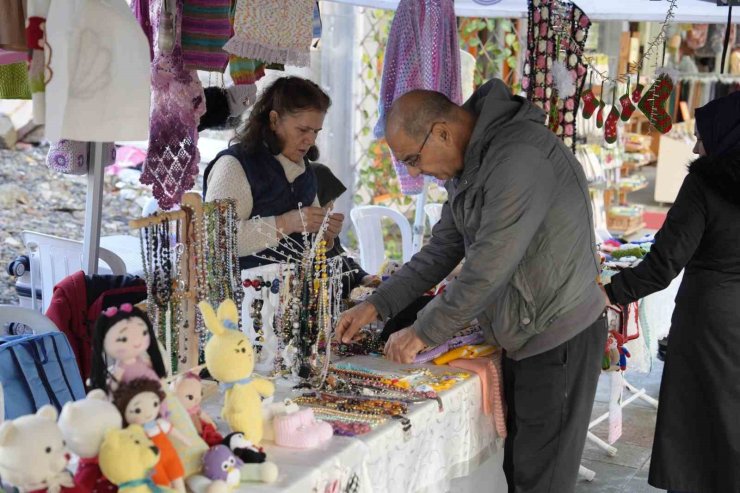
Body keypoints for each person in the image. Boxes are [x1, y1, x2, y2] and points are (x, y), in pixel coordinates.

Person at [336, 79, 606, 493]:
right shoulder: (474, 163)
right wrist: (375, 306)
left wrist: (423, 332)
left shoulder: (518, 157)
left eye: (412, 158)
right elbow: (442, 248)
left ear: (441, 131)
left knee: (542, 480)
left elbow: (487, 267)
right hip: (526, 332)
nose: (413, 172)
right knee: (522, 472)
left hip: (558, 336)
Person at [603, 91, 740, 493]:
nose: (697, 146)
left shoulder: (705, 183)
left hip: (709, 324)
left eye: (703, 136)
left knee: (698, 422)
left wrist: (611, 291)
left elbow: (664, 263)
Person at [203, 76, 344, 269]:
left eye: (316, 132)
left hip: (293, 294)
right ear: (274, 120)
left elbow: (307, 244)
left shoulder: (304, 169)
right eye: (303, 130)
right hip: (239, 297)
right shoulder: (233, 166)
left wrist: (325, 234)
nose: (310, 140)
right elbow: (216, 242)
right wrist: (287, 222)